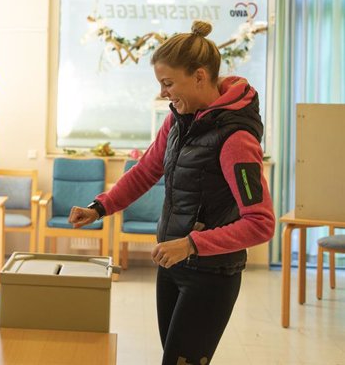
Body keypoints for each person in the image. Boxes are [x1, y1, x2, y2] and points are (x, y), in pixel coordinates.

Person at [69, 20, 275, 365]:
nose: (163, 93)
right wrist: (100, 207)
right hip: (172, 263)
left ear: (198, 76)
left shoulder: (236, 139)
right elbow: (147, 170)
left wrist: (193, 244)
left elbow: (260, 223)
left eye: (168, 83)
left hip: (210, 274)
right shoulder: (179, 120)